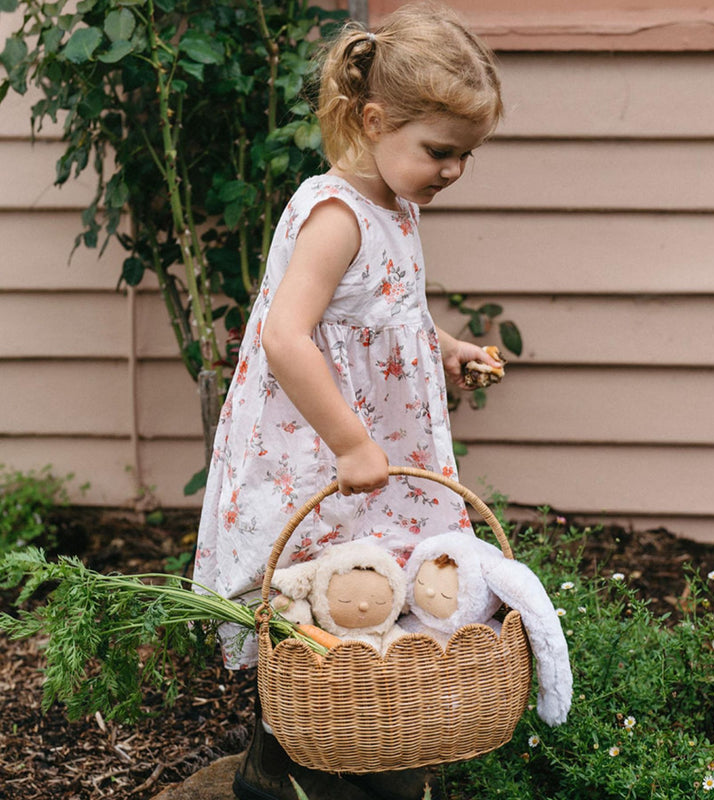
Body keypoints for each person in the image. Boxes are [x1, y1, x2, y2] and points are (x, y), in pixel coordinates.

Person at [193, 3, 504, 798]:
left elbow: (387, 312)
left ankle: (369, 744)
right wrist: (351, 443)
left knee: (374, 592)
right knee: (314, 591)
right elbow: (287, 338)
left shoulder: (396, 207)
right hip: (321, 444)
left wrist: (449, 348)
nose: (454, 171)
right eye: (441, 151)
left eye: (468, 155)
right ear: (372, 119)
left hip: (375, 443)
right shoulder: (334, 215)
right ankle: (283, 757)